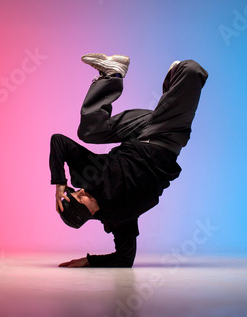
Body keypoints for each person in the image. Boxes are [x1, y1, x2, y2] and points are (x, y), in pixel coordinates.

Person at [50, 53, 208, 267]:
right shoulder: (119, 218)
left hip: (137, 132)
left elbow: (58, 141)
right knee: (191, 70)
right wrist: (89, 261)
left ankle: (112, 74)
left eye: (76, 190)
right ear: (91, 212)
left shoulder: (88, 178)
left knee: (89, 131)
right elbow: (125, 259)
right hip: (164, 136)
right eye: (79, 197)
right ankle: (171, 93)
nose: (81, 190)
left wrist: (60, 183)